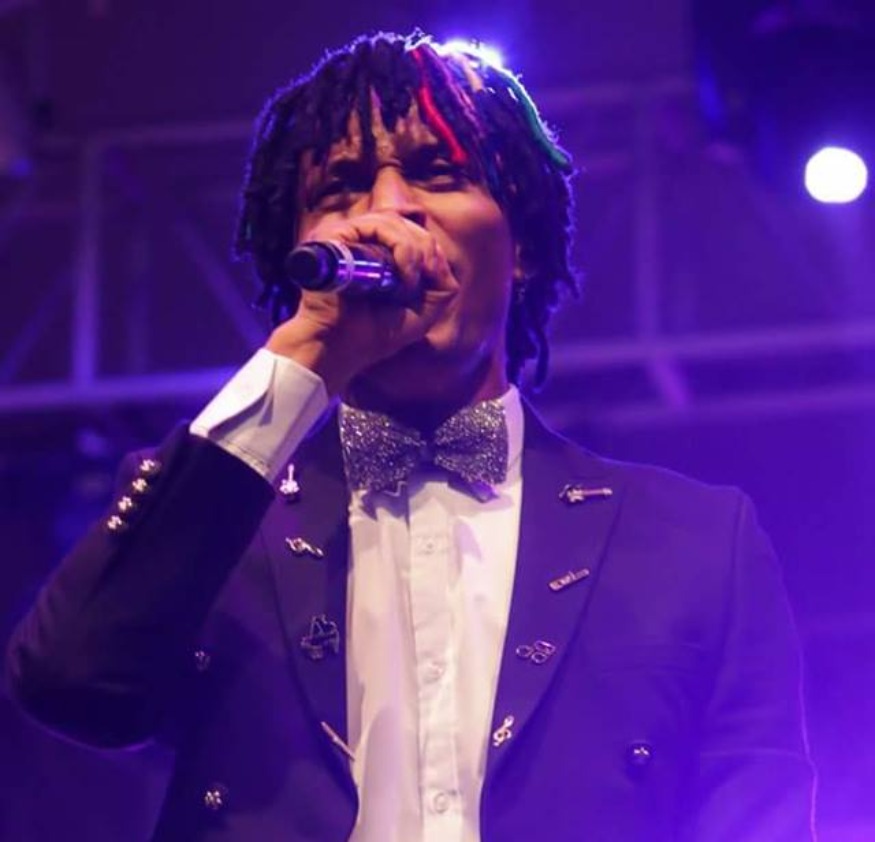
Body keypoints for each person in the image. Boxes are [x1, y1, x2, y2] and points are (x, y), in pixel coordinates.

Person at [5, 31, 815, 842]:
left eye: (437, 173)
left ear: (521, 246)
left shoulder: (694, 541)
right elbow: (69, 685)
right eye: (341, 188)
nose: (387, 211)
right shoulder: (218, 512)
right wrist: (305, 352)